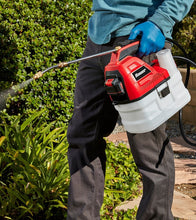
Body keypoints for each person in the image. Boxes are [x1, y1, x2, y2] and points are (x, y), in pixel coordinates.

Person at [66, 1, 194, 219]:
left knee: (148, 145)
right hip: (98, 37)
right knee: (82, 136)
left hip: (140, 38)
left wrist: (160, 22)